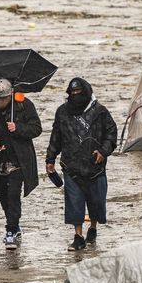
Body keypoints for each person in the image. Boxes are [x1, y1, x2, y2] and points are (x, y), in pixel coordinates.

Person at [45, 78, 117, 251]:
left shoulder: (100, 111)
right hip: (71, 166)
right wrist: (50, 159)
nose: (76, 95)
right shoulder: (62, 112)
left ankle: (93, 227)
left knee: (96, 202)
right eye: (73, 93)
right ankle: (78, 236)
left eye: (79, 92)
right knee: (74, 203)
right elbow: (56, 136)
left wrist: (103, 151)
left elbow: (111, 133)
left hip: (95, 166)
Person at [0, 78, 42, 250]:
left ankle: (11, 230)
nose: (2, 102)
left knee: (13, 195)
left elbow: (36, 128)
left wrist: (18, 128)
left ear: (10, 95)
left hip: (19, 160)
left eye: (5, 98)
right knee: (3, 196)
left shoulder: (24, 105)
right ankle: (14, 224)